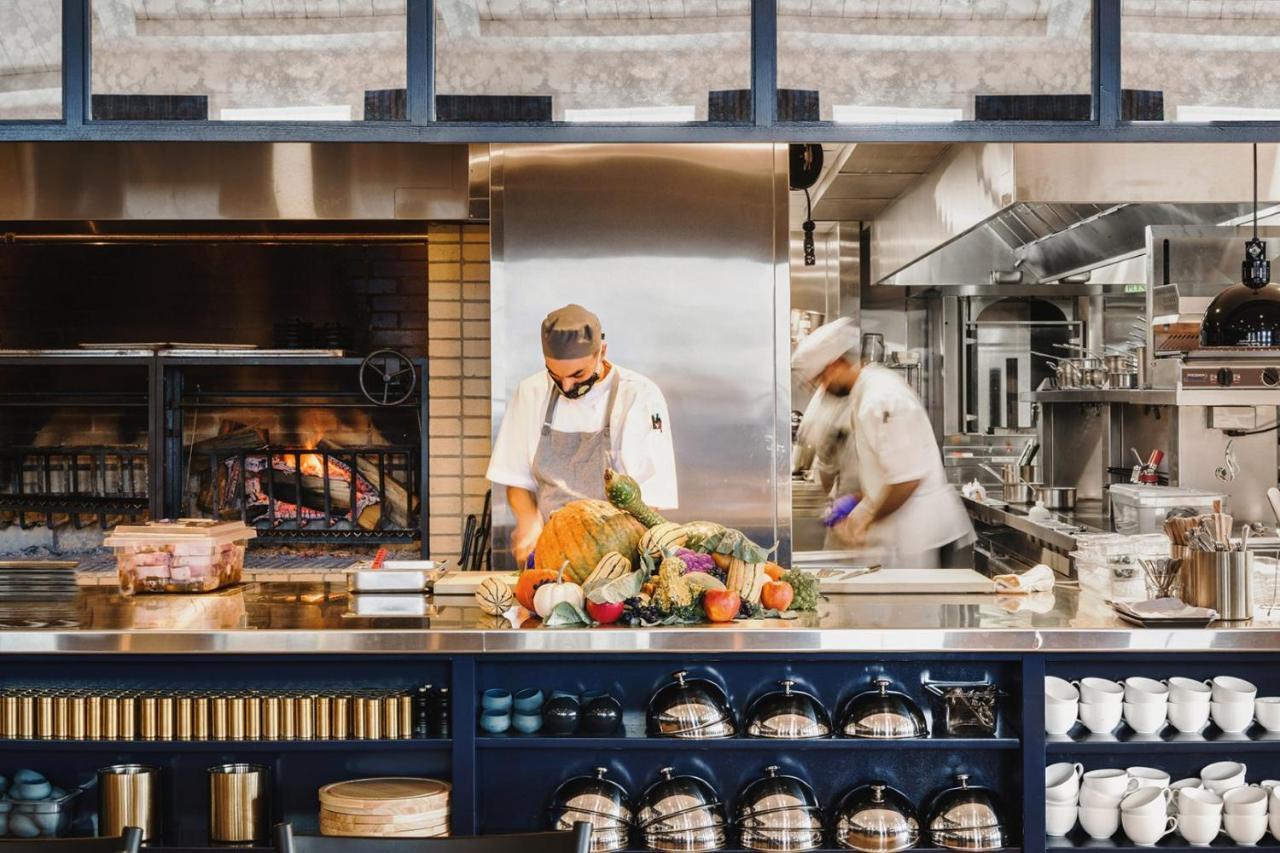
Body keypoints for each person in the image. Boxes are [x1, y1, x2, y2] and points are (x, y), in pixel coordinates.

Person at [487, 304, 678, 566]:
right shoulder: (530, 392)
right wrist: (529, 521)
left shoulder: (639, 396)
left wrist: (601, 553)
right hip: (550, 554)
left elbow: (648, 502)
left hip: (618, 559)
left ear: (602, 352)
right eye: (555, 375)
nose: (567, 387)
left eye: (578, 375)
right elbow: (516, 481)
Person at [791, 317, 974, 568]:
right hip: (904, 534)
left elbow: (907, 478)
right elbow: (886, 471)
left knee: (916, 606)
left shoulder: (879, 397)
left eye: (822, 380)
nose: (822, 389)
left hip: (920, 535)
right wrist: (856, 502)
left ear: (836, 366)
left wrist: (865, 519)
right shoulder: (864, 392)